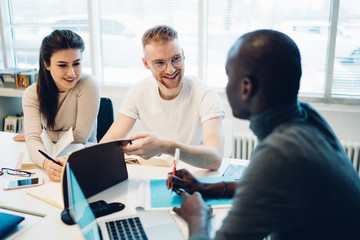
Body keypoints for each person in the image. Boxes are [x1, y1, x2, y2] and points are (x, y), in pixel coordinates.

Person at [167, 29, 360, 239]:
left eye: (228, 76)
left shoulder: (278, 154)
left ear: (246, 87)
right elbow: (272, 184)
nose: (226, 85)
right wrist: (206, 187)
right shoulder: (307, 116)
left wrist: (198, 218)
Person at [100, 25, 225, 170]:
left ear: (183, 55)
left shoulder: (205, 94)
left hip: (192, 172)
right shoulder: (138, 92)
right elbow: (109, 140)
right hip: (155, 171)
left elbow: (215, 159)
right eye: (159, 63)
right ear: (146, 64)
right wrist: (77, 160)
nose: (170, 70)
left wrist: (166, 146)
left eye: (176, 59)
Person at [20, 30, 100, 182]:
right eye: (62, 65)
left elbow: (79, 137)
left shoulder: (88, 84)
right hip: (51, 159)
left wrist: (43, 135)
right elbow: (33, 139)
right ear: (46, 64)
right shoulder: (32, 94)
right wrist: (46, 163)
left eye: (77, 63)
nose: (71, 73)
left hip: (83, 160)